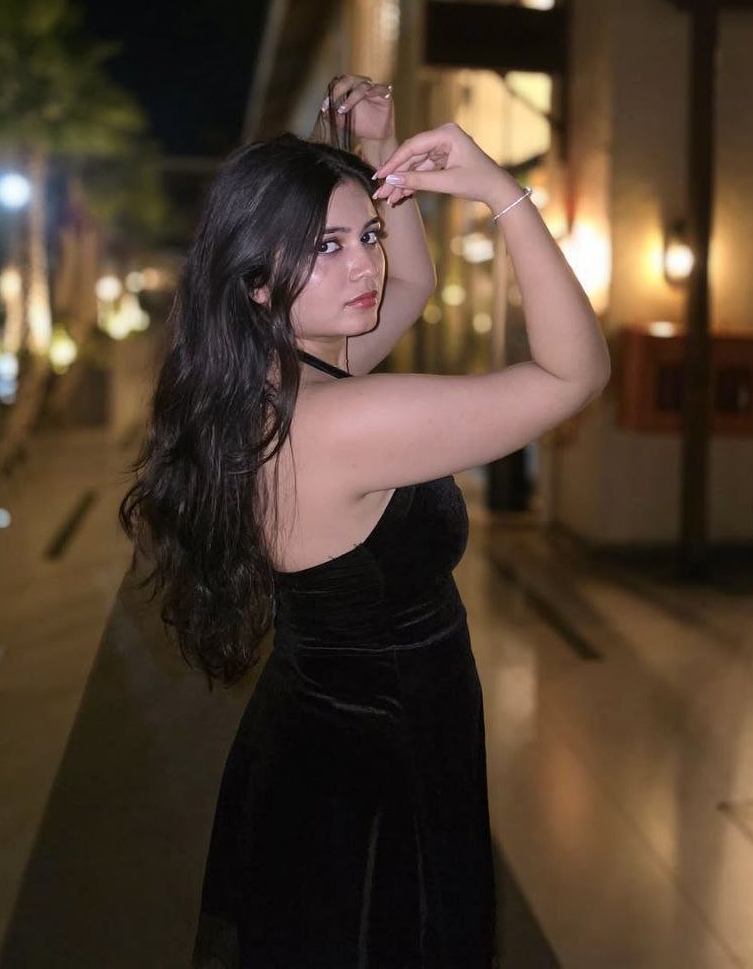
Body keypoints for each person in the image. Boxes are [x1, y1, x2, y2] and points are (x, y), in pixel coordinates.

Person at [119, 75, 610, 967]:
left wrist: (378, 153)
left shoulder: (267, 377)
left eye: (368, 235)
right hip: (377, 764)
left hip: (324, 734)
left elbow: (411, 285)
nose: (366, 266)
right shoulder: (343, 422)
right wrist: (504, 195)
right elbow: (573, 375)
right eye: (327, 246)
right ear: (257, 280)